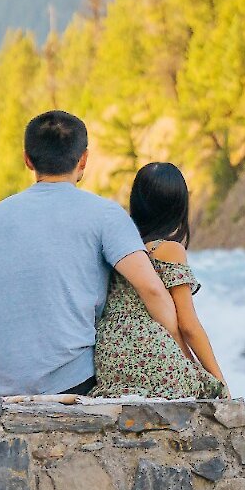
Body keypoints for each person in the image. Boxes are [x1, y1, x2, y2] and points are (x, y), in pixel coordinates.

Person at [0, 111, 181, 397]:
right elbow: (152, 290)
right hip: (72, 380)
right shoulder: (105, 214)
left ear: (28, 160)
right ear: (83, 159)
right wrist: (176, 348)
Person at [92, 163, 225, 399]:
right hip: (153, 353)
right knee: (207, 389)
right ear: (178, 206)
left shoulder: (118, 249)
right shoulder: (169, 250)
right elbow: (188, 325)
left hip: (108, 358)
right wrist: (219, 380)